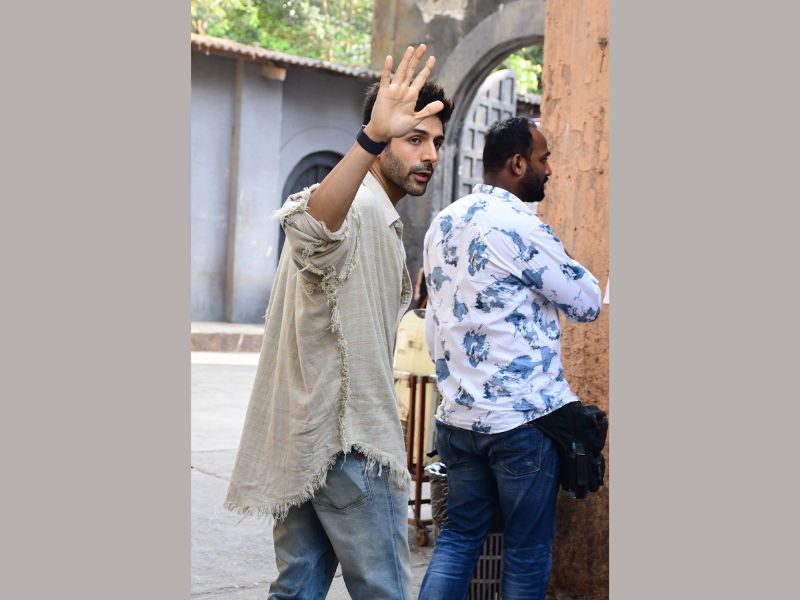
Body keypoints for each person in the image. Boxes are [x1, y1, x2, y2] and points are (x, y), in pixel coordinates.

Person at [224, 44, 453, 600]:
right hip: (353, 447)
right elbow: (309, 229)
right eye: (414, 139)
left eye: (437, 142)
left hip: (309, 442)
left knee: (296, 590)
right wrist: (370, 138)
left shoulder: (376, 211)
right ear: (380, 137)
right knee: (385, 591)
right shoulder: (357, 205)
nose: (430, 155)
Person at [419, 117, 602, 600]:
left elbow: (434, 322)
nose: (550, 170)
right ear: (518, 164)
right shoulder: (522, 226)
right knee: (526, 550)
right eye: (544, 159)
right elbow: (586, 302)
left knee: (458, 538)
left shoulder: (443, 223)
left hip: (457, 420)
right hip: (520, 424)